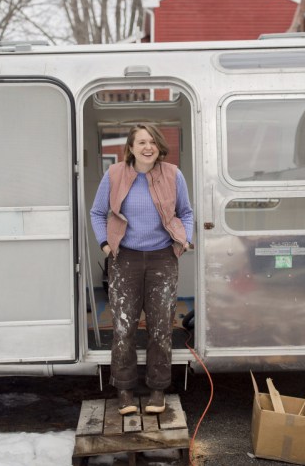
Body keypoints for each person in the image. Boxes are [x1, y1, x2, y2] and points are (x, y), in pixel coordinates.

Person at [90, 123, 194, 415]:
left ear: (159, 146)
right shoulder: (114, 175)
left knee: (161, 328)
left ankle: (158, 389)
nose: (147, 147)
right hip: (126, 259)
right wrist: (105, 246)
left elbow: (186, 211)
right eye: (141, 142)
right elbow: (97, 212)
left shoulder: (173, 174)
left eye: (152, 142)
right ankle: (124, 390)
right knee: (124, 327)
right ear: (131, 148)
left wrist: (184, 239)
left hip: (163, 258)